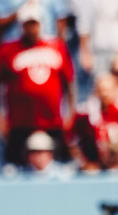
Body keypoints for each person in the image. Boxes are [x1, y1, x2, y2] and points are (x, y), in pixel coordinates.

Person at [0, 3, 74, 166]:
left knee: (61, 165)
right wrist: (1, 118)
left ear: (40, 24)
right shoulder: (8, 50)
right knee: (14, 167)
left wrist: (71, 113)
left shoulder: (56, 47)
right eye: (28, 24)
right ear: (22, 25)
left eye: (34, 23)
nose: (31, 28)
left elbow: (69, 82)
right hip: (19, 122)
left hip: (52, 121)